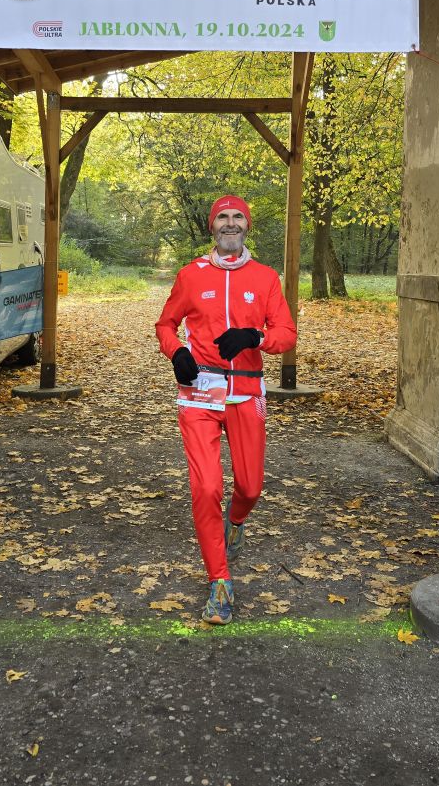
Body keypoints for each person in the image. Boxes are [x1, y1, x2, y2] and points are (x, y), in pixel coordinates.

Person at [155, 195, 297, 624]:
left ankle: (235, 522)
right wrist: (176, 350)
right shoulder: (190, 275)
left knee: (250, 487)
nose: (230, 223)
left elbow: (286, 333)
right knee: (206, 489)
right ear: (212, 227)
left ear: (246, 227)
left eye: (238, 217)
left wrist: (255, 337)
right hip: (199, 392)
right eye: (223, 217)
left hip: (247, 391)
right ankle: (220, 580)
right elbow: (165, 324)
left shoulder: (266, 277)